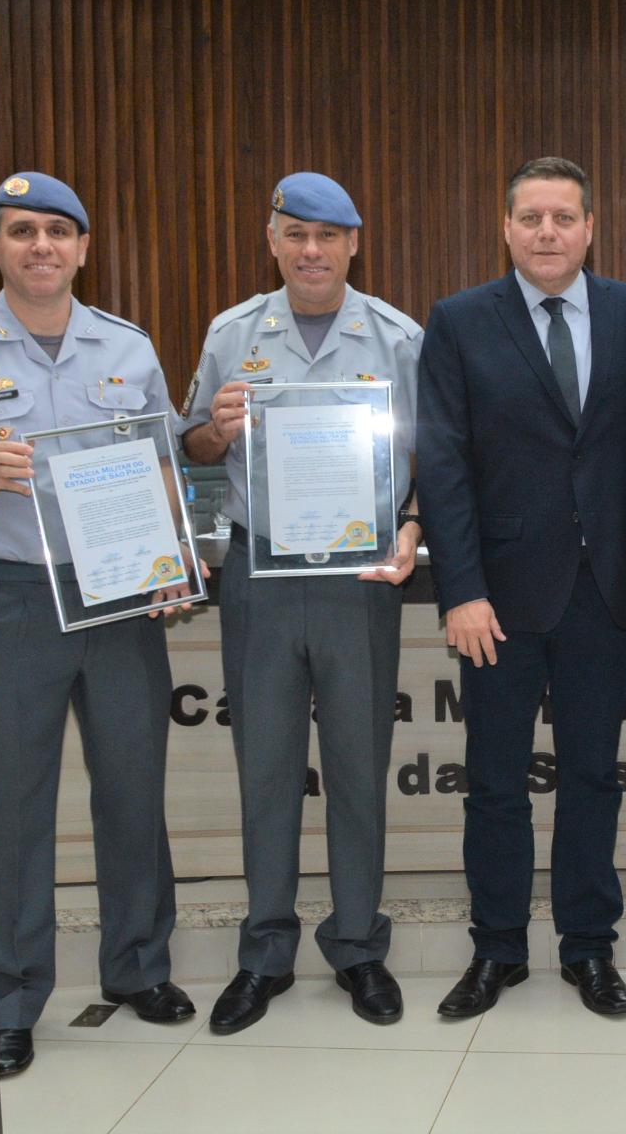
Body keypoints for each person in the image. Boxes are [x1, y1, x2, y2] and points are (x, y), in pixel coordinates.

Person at [0, 172, 196, 1077]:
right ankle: (6, 1000)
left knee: (133, 788)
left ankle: (139, 967)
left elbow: (163, 464)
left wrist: (173, 555)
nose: (41, 246)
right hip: (13, 600)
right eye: (22, 231)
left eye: (58, 231)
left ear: (83, 248)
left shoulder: (127, 348)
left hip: (122, 600)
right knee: (6, 807)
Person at [415, 157, 626, 1020]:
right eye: (531, 217)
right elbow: (443, 463)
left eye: (564, 217)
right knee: (495, 781)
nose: (548, 232)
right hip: (496, 599)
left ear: (590, 227)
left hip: (603, 589)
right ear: (507, 228)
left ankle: (588, 947)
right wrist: (460, 589)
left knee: (593, 777)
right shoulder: (459, 321)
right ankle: (497, 949)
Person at [180, 172, 423, 1033]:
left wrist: (414, 524)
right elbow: (192, 445)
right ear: (273, 241)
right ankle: (265, 953)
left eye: (328, 236)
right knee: (267, 768)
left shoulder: (398, 338)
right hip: (262, 576)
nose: (311, 251)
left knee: (357, 767)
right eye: (296, 235)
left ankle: (358, 946)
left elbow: (432, 457)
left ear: (354, 243)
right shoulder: (232, 333)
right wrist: (216, 427)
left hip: (361, 579)